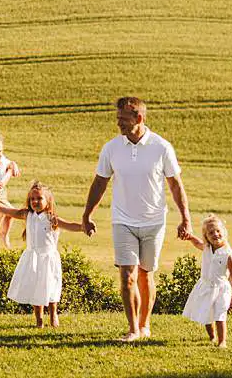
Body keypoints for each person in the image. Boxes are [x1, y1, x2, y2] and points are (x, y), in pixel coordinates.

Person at [81, 96, 191, 342]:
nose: (118, 123)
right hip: (123, 220)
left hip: (154, 222)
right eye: (117, 118)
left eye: (123, 119)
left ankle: (144, 324)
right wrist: (87, 214)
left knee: (145, 274)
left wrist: (185, 218)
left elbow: (175, 185)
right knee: (127, 275)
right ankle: (132, 329)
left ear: (138, 118)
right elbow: (100, 182)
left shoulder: (161, 147)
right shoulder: (111, 148)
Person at [1, 181, 85, 327]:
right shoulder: (27, 215)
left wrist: (84, 227)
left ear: (48, 200)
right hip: (32, 258)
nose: (35, 201)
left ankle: (53, 315)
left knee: (50, 287)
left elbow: (70, 225)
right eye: (32, 199)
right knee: (36, 288)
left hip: (48, 259)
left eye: (39, 198)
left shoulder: (51, 218)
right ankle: (39, 319)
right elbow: (8, 211)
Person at [180, 214, 232, 348]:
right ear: (206, 236)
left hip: (221, 289)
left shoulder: (228, 254)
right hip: (206, 286)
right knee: (206, 313)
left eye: (218, 231)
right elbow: (197, 243)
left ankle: (222, 341)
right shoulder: (207, 247)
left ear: (223, 232)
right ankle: (212, 337)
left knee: (220, 314)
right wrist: (190, 237)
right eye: (211, 233)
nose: (215, 234)